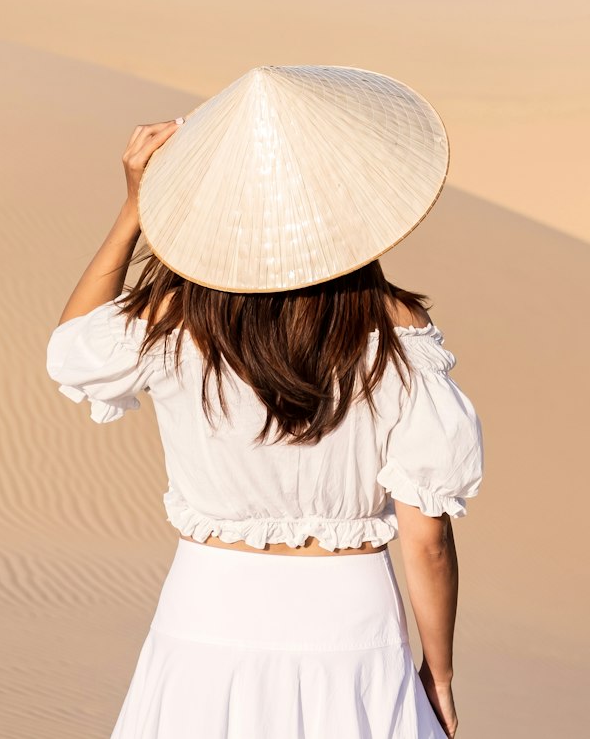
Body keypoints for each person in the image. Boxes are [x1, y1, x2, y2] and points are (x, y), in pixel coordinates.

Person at [46, 65, 483, 739]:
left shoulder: (172, 318)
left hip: (208, 609)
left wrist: (135, 208)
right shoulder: (397, 328)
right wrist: (440, 675)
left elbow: (74, 351)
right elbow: (426, 535)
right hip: (353, 621)